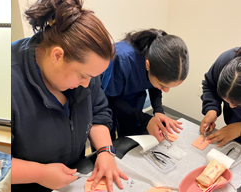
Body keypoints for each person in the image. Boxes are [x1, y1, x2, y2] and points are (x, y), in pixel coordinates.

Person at [11, 0, 128, 191]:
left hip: (72, 179)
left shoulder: (87, 69)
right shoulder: (12, 82)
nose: (88, 83)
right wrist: (39, 173)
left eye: (93, 77)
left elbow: (98, 111)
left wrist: (106, 151)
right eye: (83, 76)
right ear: (57, 56)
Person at [99, 28, 189, 142]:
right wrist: (146, 119)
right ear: (147, 65)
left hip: (132, 101)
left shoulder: (156, 60)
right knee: (106, 141)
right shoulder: (121, 58)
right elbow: (111, 99)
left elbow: (153, 84)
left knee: (131, 136)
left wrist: (158, 110)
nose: (166, 91)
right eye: (162, 85)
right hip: (108, 102)